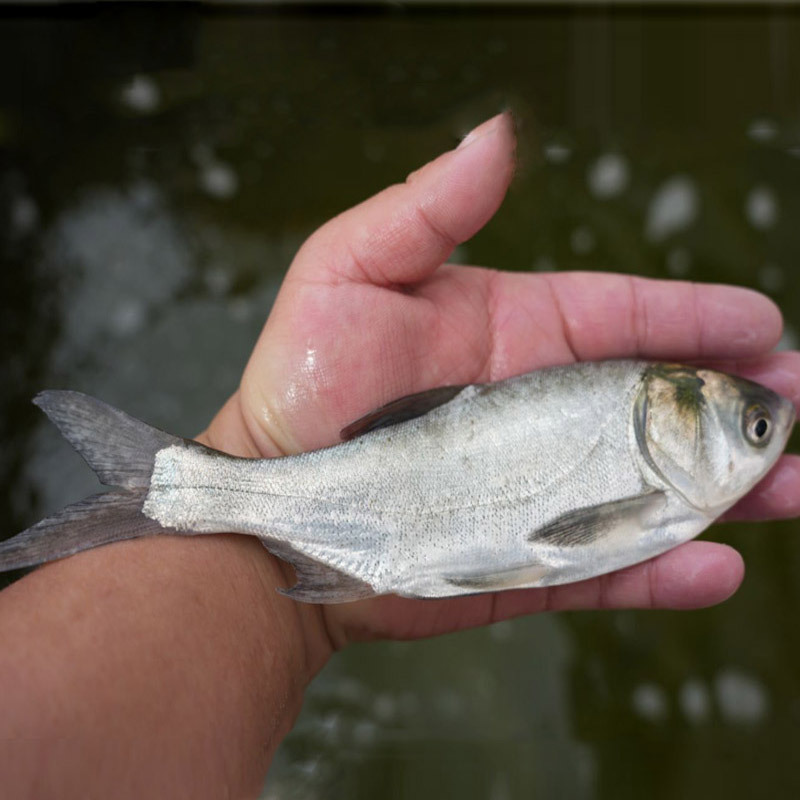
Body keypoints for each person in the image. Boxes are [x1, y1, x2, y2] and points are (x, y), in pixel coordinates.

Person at [1, 112, 798, 798]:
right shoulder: (662, 490)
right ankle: (188, 489)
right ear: (672, 419)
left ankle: (192, 486)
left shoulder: (657, 473)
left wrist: (251, 451)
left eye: (754, 428)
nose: (764, 437)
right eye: (752, 430)